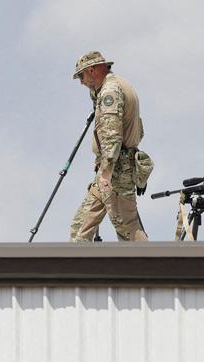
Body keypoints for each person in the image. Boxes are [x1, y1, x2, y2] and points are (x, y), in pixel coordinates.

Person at [69, 51, 149, 242]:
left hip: (115, 169)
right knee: (81, 227)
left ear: (92, 70)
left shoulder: (110, 92)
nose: (81, 82)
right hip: (115, 167)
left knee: (127, 227)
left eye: (82, 76)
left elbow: (112, 135)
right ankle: (75, 266)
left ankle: (149, 266)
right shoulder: (118, 85)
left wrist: (106, 173)